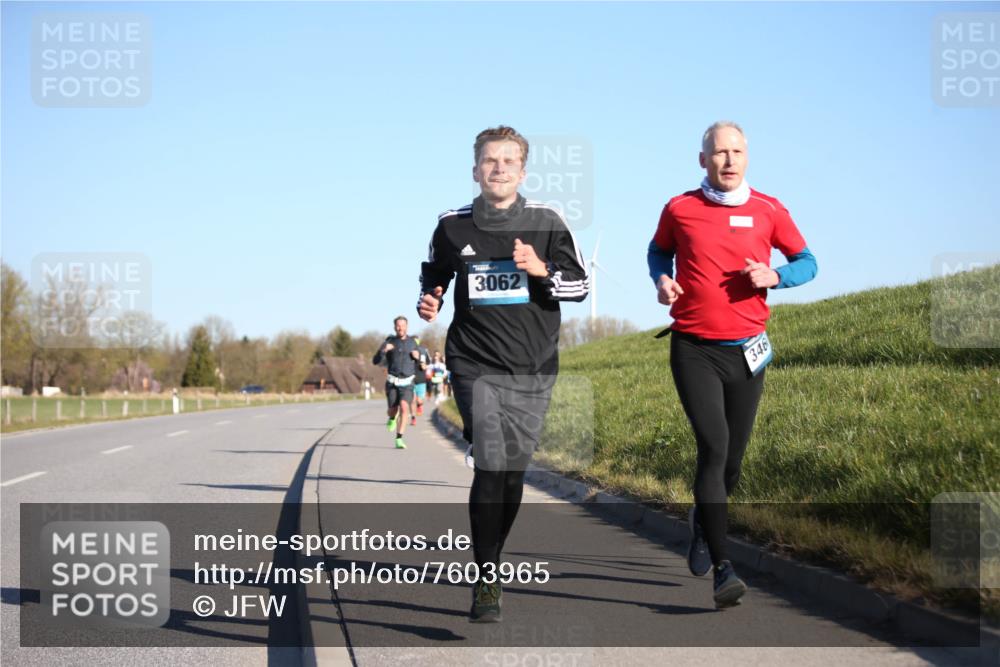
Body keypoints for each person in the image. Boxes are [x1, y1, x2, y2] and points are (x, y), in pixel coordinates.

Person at [418, 125, 589, 622]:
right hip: (473, 360)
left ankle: (493, 556)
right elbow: (435, 272)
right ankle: (487, 574)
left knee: (513, 472)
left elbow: (579, 287)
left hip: (533, 365)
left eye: (508, 161)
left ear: (523, 172)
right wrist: (430, 299)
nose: (498, 168)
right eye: (490, 161)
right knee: (493, 462)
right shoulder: (451, 226)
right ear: (475, 170)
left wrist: (541, 270)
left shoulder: (547, 221)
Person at [647, 121, 817, 608]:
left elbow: (808, 261)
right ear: (703, 160)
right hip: (694, 347)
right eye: (719, 152)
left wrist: (776, 276)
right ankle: (725, 569)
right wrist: (662, 280)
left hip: (747, 350)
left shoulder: (769, 209)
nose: (728, 160)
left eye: (737, 152)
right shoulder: (680, 208)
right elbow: (658, 251)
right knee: (715, 447)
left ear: (747, 157)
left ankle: (705, 524)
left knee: (733, 462)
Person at [371, 315, 423, 449]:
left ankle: (399, 438)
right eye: (398, 326)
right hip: (392, 382)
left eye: (403, 325)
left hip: (408, 382)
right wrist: (383, 350)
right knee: (392, 410)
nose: (400, 328)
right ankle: (392, 418)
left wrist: (418, 358)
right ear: (394, 327)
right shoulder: (389, 342)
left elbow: (421, 364)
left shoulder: (413, 342)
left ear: (407, 326)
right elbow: (375, 361)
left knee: (405, 407)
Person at [409, 337, 431, 425]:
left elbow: (428, 363)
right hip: (410, 379)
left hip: (421, 378)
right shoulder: (408, 351)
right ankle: (413, 418)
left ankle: (419, 405)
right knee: (412, 400)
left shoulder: (423, 351)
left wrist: (425, 366)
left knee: (419, 400)